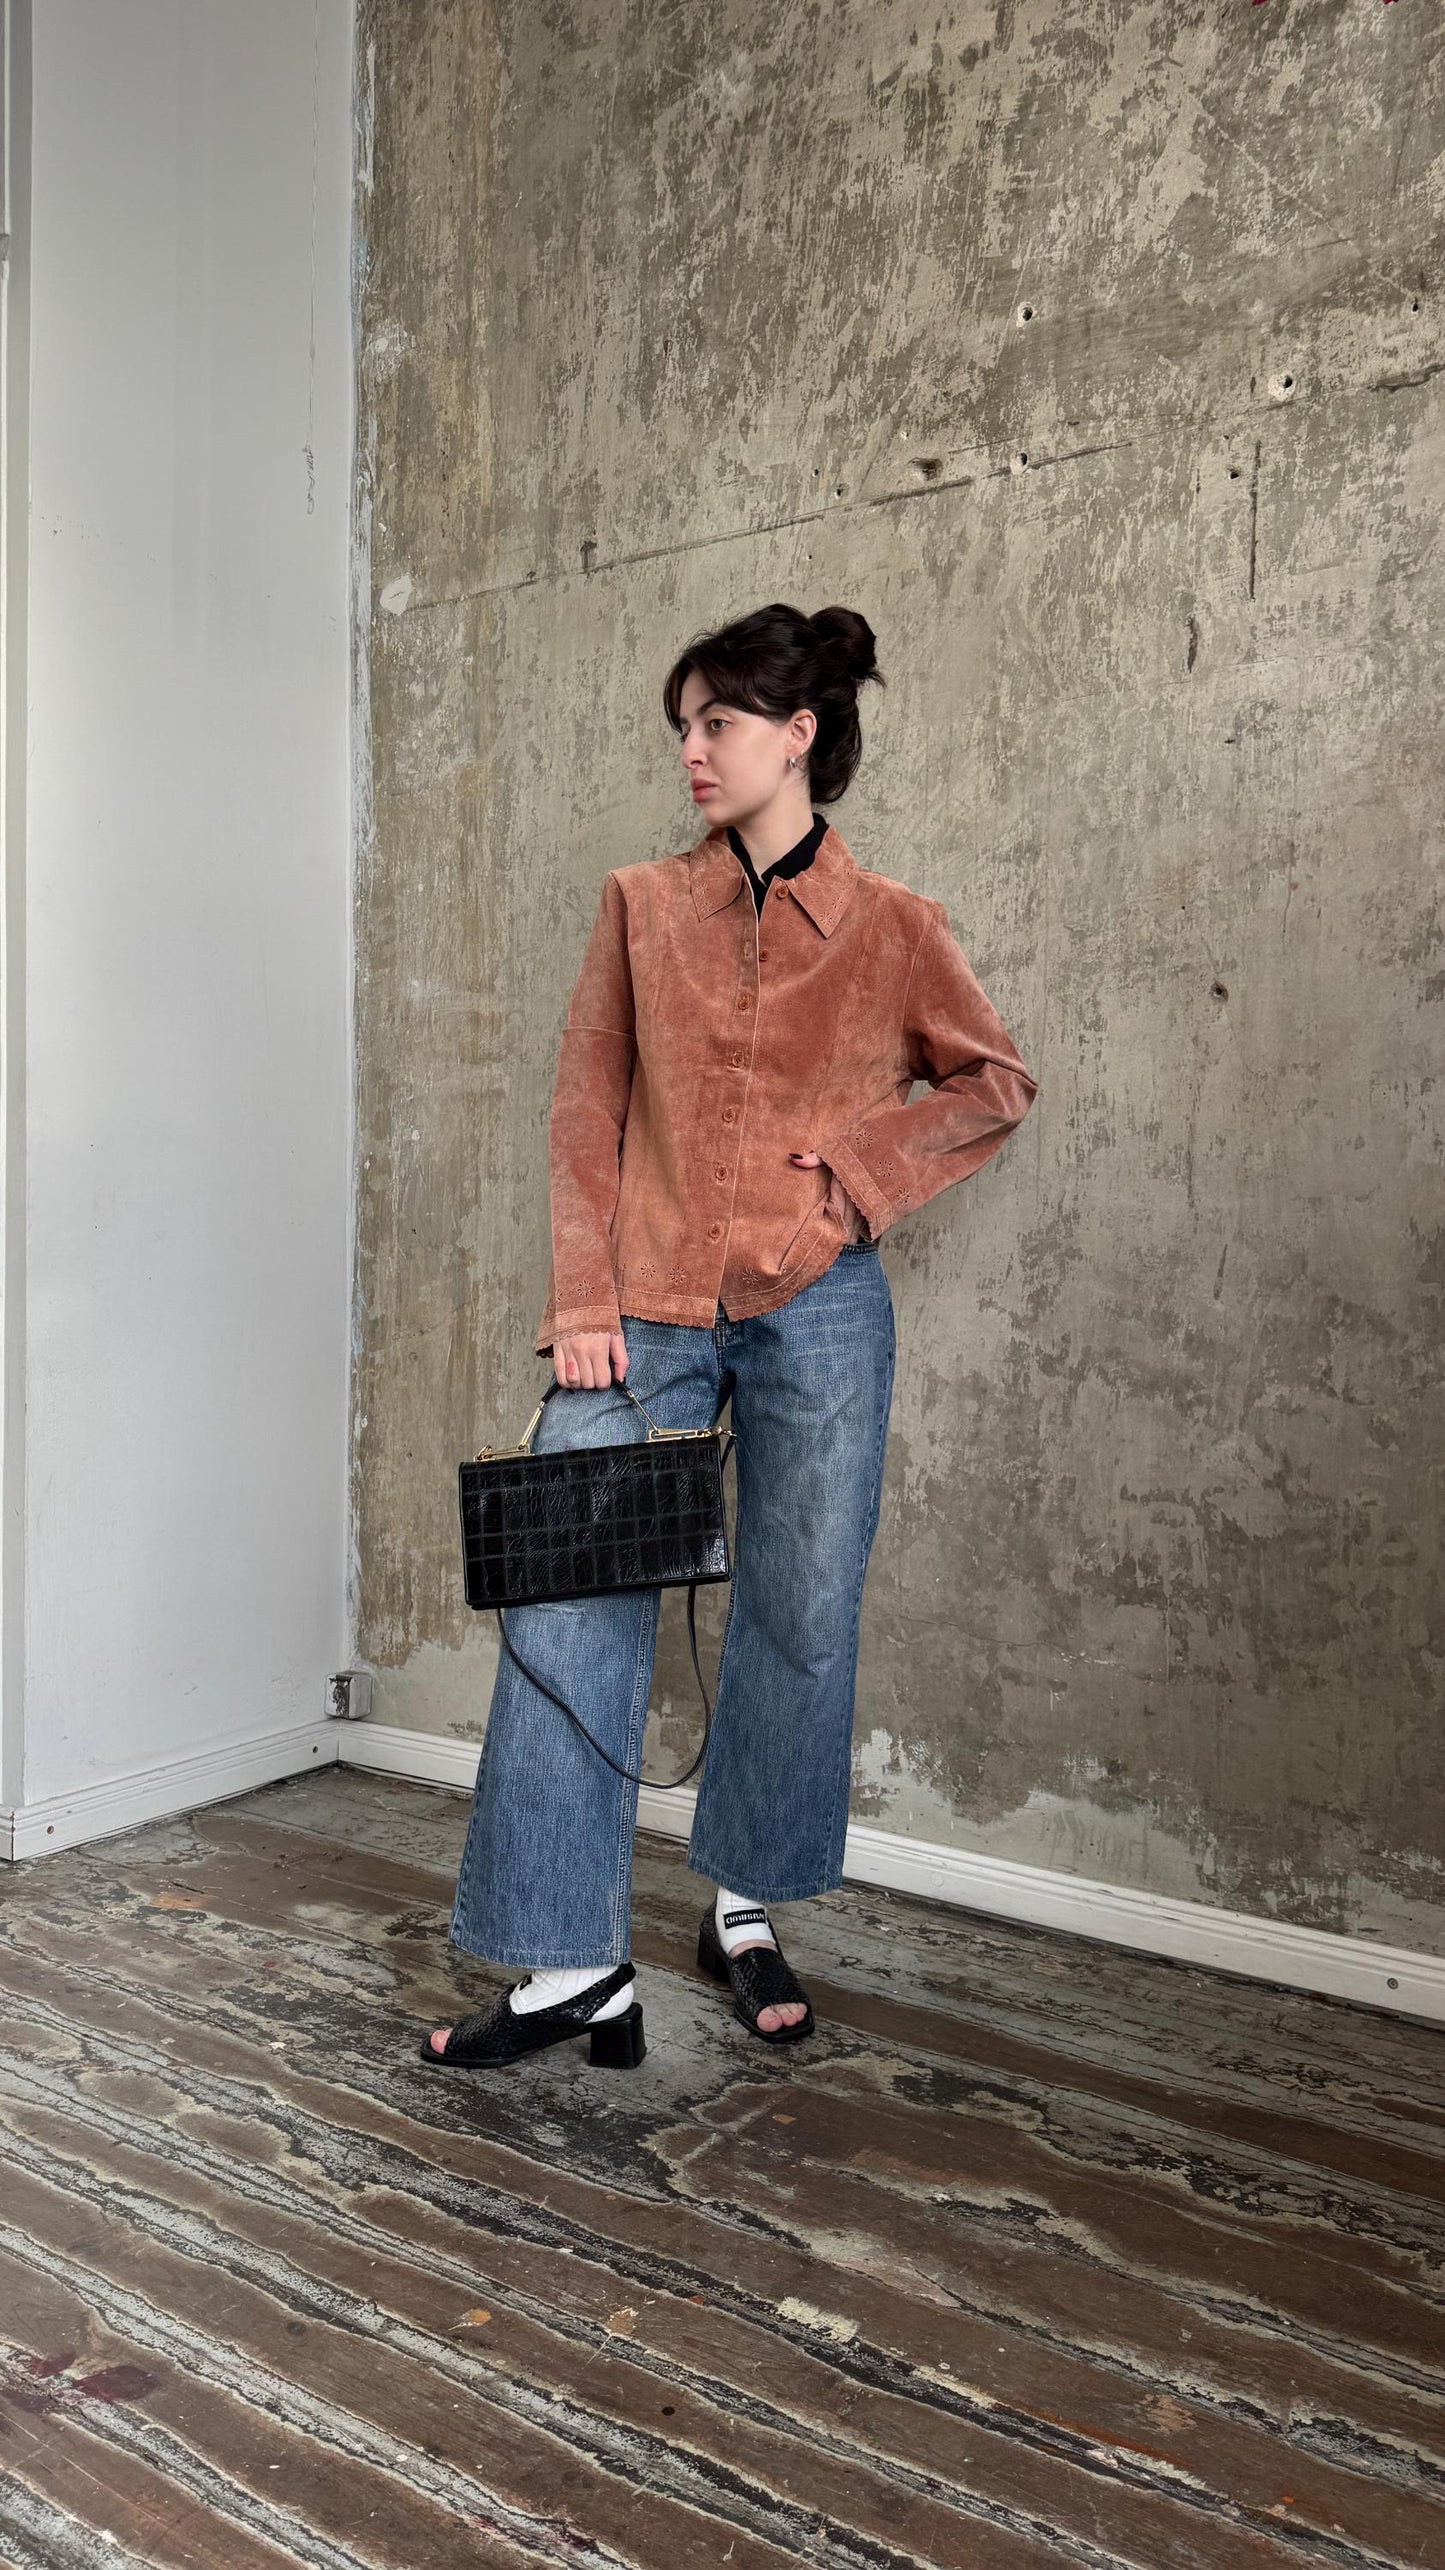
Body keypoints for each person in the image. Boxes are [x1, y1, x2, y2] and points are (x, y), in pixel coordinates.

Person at [421, 602, 1037, 2073]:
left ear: (796, 733)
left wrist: (851, 1178)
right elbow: (585, 1112)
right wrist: (580, 1306)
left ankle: (742, 1902)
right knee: (568, 1598)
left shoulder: (894, 929)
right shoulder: (640, 904)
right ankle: (574, 1958)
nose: (691, 750)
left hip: (816, 1304)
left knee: (799, 1600)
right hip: (639, 1306)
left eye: (716, 722)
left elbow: (991, 1083)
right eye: (682, 727)